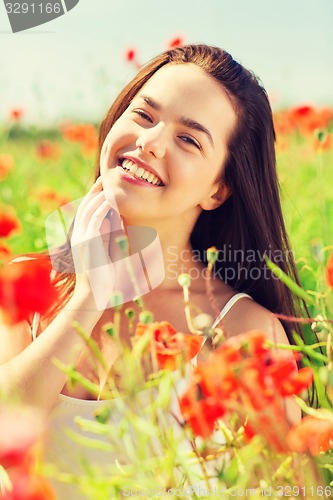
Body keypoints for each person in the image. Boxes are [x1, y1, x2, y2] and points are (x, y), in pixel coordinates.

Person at [0, 44, 305, 497]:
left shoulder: (244, 332)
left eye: (189, 139)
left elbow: (286, 488)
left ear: (218, 190)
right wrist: (89, 295)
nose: (150, 141)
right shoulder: (26, 286)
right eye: (144, 115)